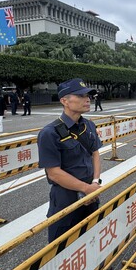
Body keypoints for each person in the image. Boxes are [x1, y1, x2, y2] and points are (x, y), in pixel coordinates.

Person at [38, 78, 102, 243]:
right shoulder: (49, 133)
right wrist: (86, 188)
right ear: (64, 101)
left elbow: (95, 153)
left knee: (93, 236)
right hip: (66, 196)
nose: (87, 99)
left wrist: (95, 182)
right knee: (62, 244)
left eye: (88, 95)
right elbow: (54, 174)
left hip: (92, 191)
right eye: (80, 96)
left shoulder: (89, 125)